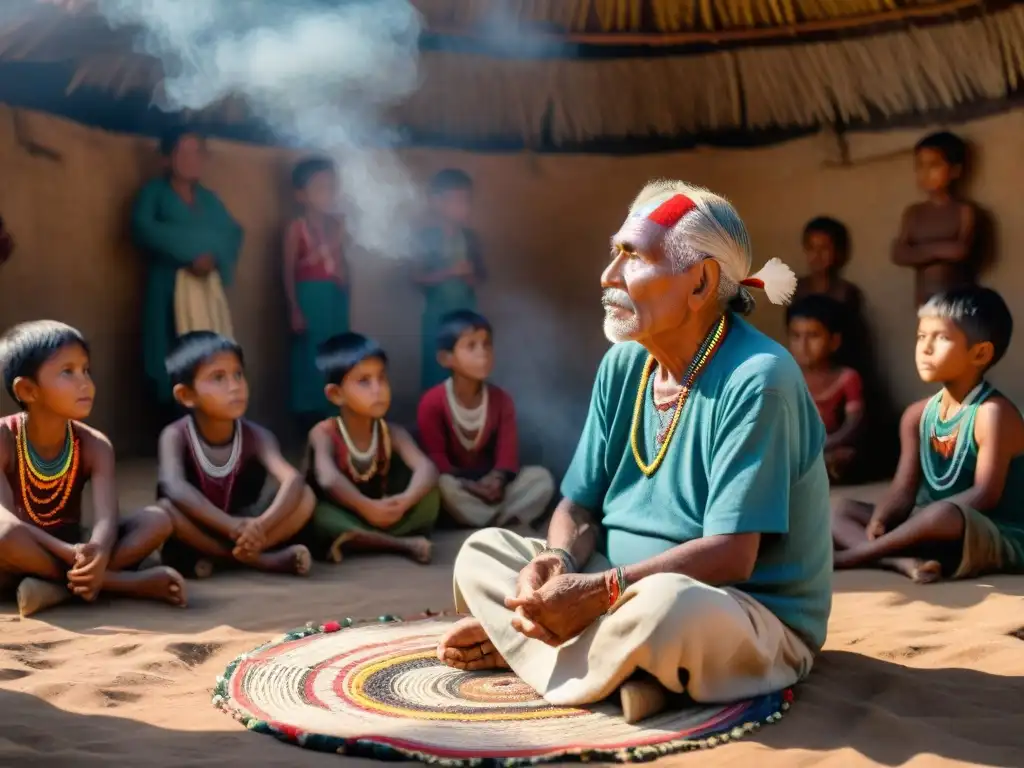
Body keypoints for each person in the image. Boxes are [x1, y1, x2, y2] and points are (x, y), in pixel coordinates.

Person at [437, 182, 832, 724]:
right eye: (614, 251)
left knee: (672, 610)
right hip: (612, 588)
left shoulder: (758, 379)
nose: (609, 276)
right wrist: (559, 563)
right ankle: (616, 669)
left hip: (738, 610)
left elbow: (733, 555)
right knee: (482, 551)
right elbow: (577, 507)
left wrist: (600, 592)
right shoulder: (624, 364)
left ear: (700, 283)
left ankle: (531, 647)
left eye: (633, 256)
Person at [832, 287, 1024, 583]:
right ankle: (899, 560)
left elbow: (985, 495)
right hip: (926, 527)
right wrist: (883, 517)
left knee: (942, 515)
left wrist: (922, 522)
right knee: (841, 510)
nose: (926, 348)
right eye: (922, 337)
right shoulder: (917, 415)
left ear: (980, 353)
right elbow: (902, 491)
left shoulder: (992, 413)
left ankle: (855, 555)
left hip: (988, 531)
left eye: (942, 338)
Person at [0, 321, 185, 617]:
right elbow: (6, 519)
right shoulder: (4, 438)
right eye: (67, 372)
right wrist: (71, 555)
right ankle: (120, 583)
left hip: (75, 549)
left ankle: (55, 588)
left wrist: (97, 549)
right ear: (28, 390)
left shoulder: (94, 444)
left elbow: (106, 518)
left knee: (157, 519)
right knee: (3, 536)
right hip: (24, 550)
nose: (85, 382)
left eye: (86, 370)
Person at [157, 332, 314, 578]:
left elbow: (291, 478)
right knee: (165, 510)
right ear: (187, 395)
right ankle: (262, 560)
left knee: (305, 496)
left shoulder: (257, 436)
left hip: (247, 524)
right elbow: (174, 486)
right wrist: (232, 527)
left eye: (238, 375)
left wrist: (259, 526)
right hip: (201, 526)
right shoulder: (175, 435)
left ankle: (233, 556)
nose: (235, 386)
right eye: (218, 378)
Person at [132, 127, 244, 412]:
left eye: (198, 152)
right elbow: (143, 229)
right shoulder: (153, 193)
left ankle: (210, 412)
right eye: (183, 152)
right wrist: (189, 253)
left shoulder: (210, 200)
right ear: (166, 159)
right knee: (169, 346)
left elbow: (231, 233)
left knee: (207, 346)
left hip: (206, 288)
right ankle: (173, 418)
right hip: (167, 285)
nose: (192, 159)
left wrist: (212, 258)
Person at [307, 333, 440, 564]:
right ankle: (400, 545)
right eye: (364, 381)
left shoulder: (392, 432)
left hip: (385, 512)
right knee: (318, 515)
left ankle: (360, 540)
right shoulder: (324, 432)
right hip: (347, 512)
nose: (377, 389)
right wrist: (366, 507)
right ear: (336, 394)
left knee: (431, 496)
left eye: (382, 378)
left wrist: (405, 501)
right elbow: (328, 478)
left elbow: (426, 467)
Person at [417, 309, 554, 527]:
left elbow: (507, 456)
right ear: (446, 358)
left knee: (540, 478)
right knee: (441, 484)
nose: (483, 353)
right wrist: (470, 486)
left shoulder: (501, 400)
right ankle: (502, 521)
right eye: (471, 346)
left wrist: (497, 480)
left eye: (487, 345)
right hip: (461, 486)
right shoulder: (432, 402)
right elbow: (437, 460)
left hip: (494, 488)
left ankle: (492, 520)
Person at [284, 156, 351, 432]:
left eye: (331, 187)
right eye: (320, 187)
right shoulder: (295, 228)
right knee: (310, 358)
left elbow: (344, 267)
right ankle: (308, 421)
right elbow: (287, 271)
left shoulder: (337, 226)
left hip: (334, 299)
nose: (328, 194)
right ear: (301, 194)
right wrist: (294, 308)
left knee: (336, 355)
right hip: (310, 299)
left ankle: (335, 414)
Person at [413, 169, 487, 392]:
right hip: (436, 315)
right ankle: (433, 416)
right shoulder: (426, 238)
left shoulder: (470, 239)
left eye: (466, 201)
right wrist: (451, 272)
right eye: (455, 201)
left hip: (465, 312)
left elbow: (480, 277)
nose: (462, 207)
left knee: (465, 365)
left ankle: (462, 419)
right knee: (436, 366)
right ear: (436, 203)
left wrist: (470, 276)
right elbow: (415, 277)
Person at [891, 131, 978, 307]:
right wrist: (940, 249)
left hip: (958, 302)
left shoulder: (963, 210)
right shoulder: (913, 212)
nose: (925, 173)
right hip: (924, 302)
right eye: (920, 166)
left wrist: (919, 252)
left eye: (934, 165)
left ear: (955, 171)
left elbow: (961, 251)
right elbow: (899, 254)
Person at [787, 295, 864, 484]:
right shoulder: (784, 376)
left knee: (846, 457)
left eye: (813, 336)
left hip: (830, 446)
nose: (803, 346)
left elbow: (854, 424)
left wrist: (827, 443)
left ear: (834, 341)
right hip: (793, 449)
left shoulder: (847, 378)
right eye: (796, 336)